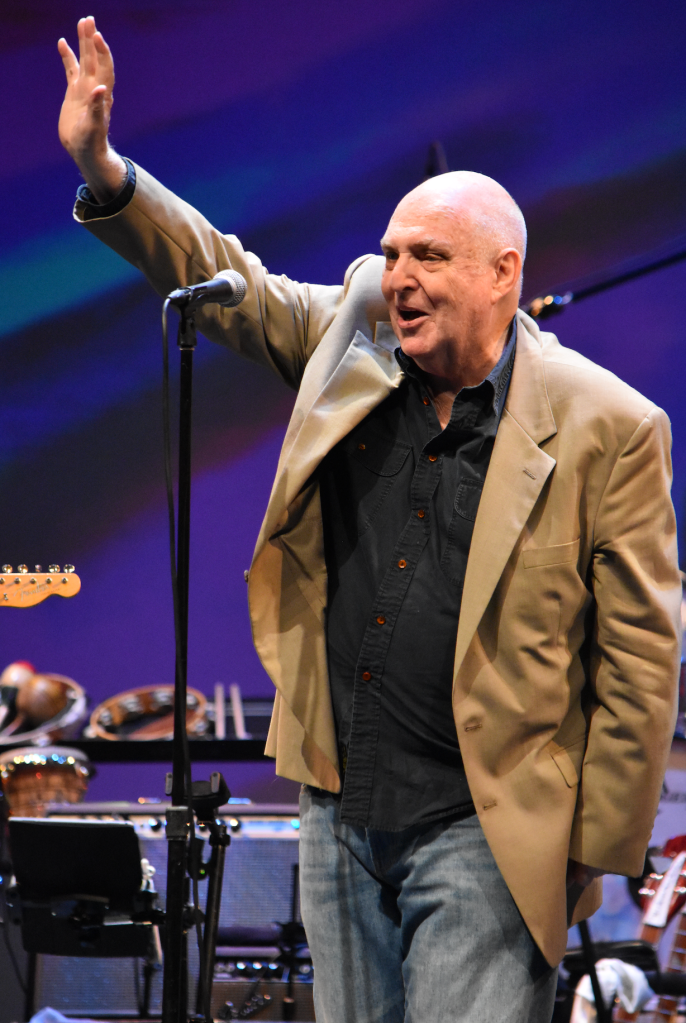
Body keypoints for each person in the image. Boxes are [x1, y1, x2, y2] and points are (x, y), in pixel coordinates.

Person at [58, 17, 681, 1023]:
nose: (398, 276)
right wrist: (107, 169)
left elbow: (641, 655)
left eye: (429, 256)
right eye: (391, 253)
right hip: (340, 806)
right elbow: (230, 285)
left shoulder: (608, 424)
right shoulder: (358, 327)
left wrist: (582, 851)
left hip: (483, 822)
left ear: (503, 273)